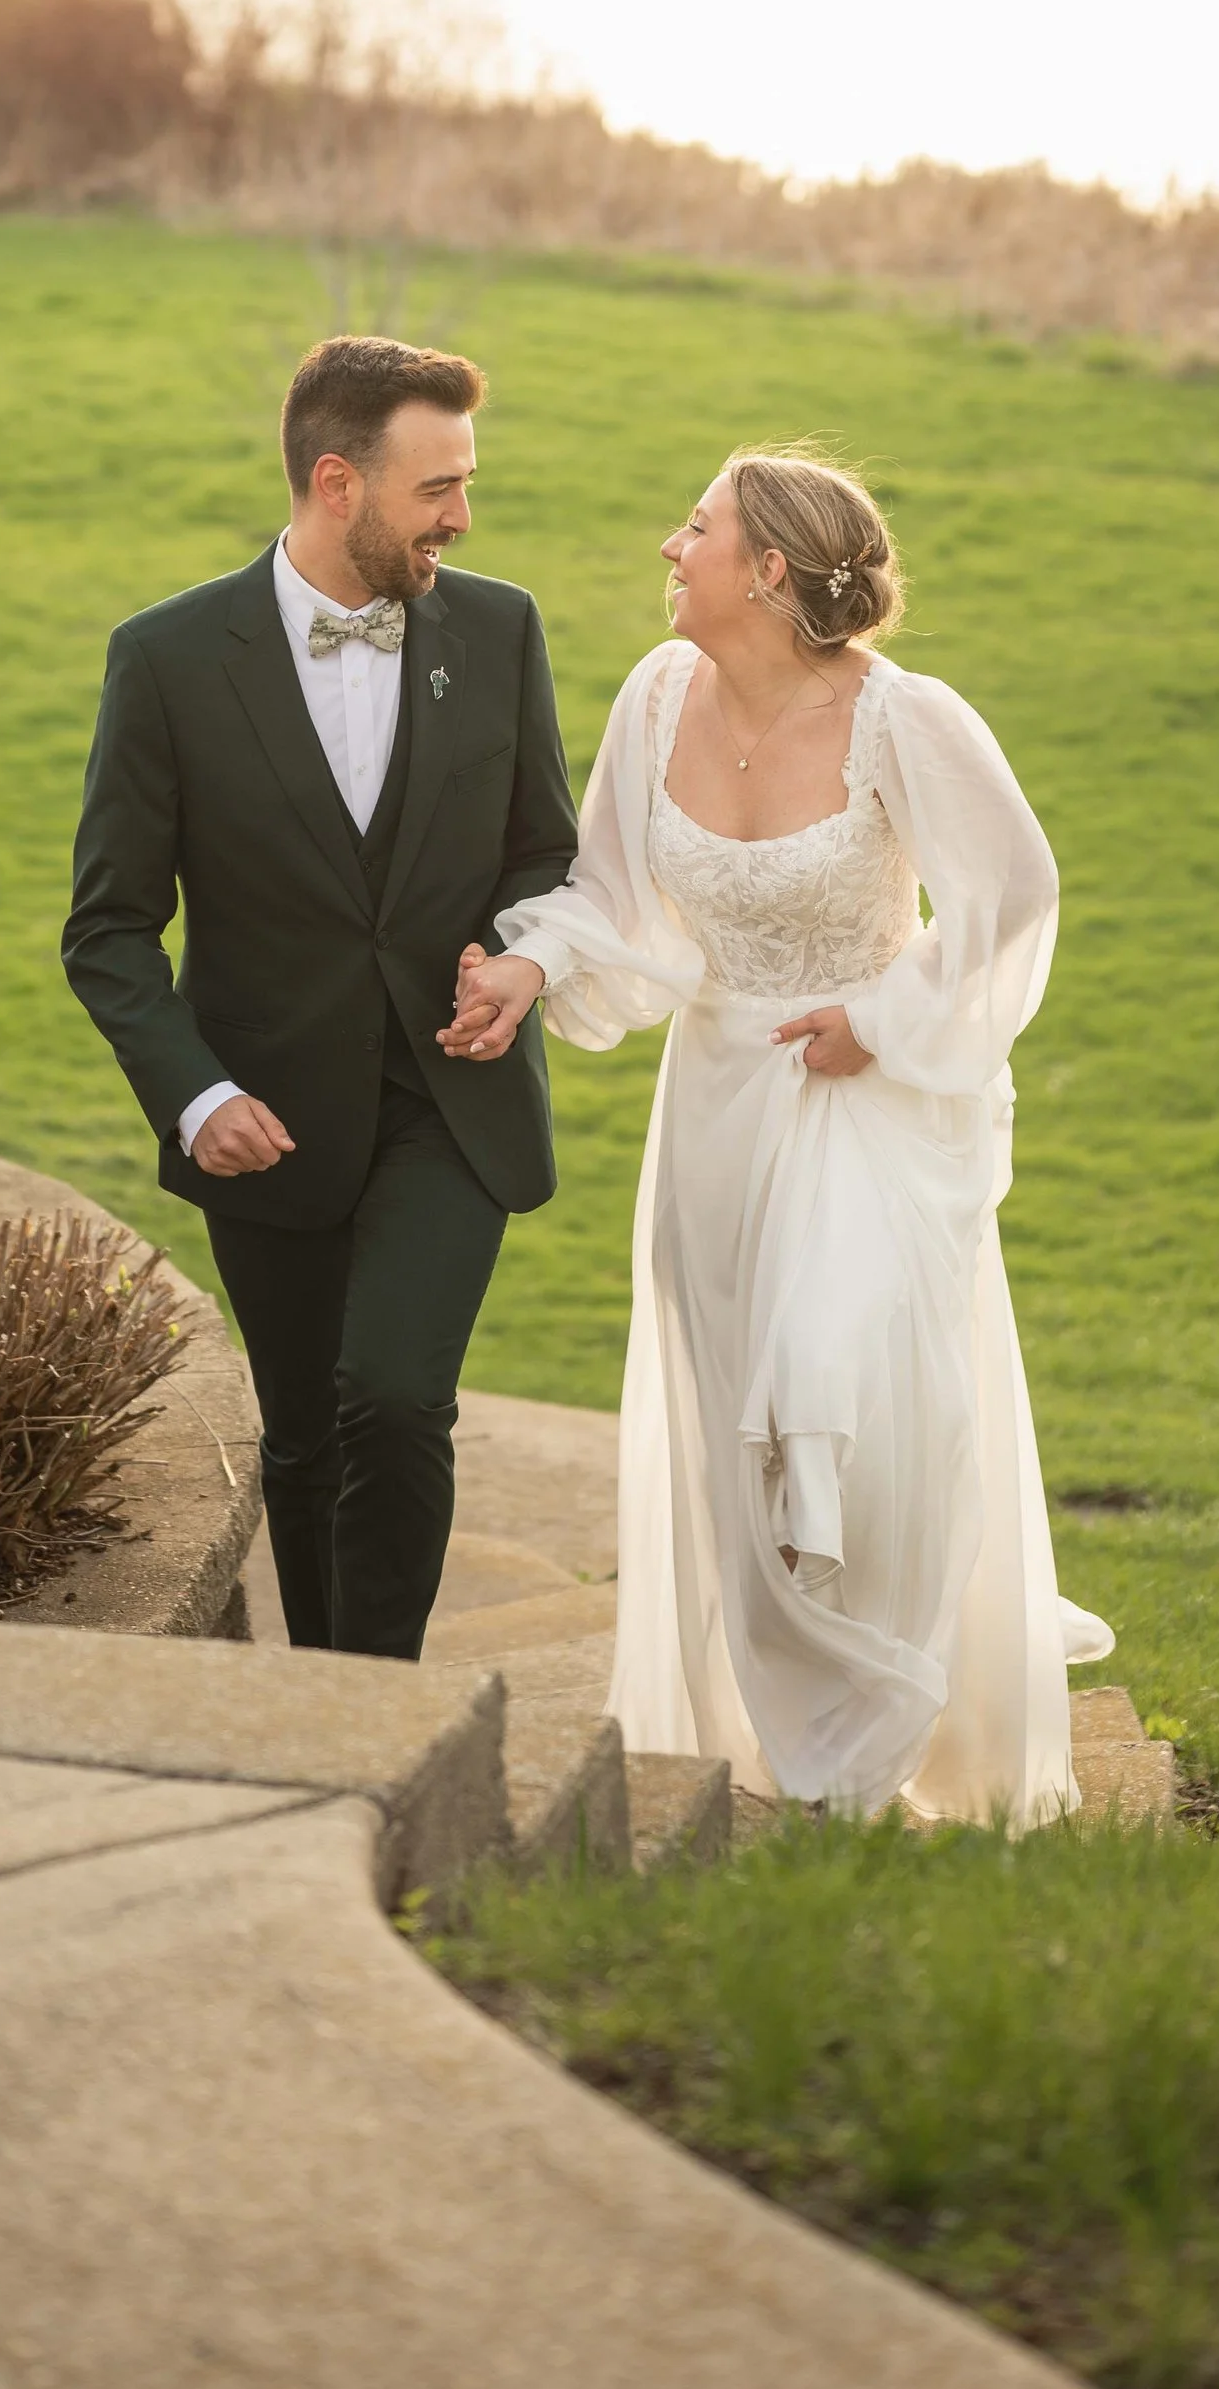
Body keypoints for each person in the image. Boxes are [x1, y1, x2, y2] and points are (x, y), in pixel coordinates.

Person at [449, 448, 1111, 1823]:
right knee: (738, 1423)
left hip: (868, 1102)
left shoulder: (902, 719)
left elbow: (1016, 892)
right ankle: (797, 1738)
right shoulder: (656, 695)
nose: (669, 545)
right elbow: (615, 898)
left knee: (857, 1406)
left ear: (766, 570)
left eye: (695, 527)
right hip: (719, 1110)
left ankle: (879, 1730)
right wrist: (528, 966)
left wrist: (885, 1016)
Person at [63, 336, 577, 1661]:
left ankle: (385, 1700)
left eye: (466, 482)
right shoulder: (168, 658)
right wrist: (197, 1095)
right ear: (338, 483)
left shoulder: (501, 629)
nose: (463, 516)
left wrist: (518, 958)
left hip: (450, 1099)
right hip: (268, 1116)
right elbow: (110, 929)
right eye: (437, 488)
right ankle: (325, 1701)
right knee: (301, 1436)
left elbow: (544, 853)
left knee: (394, 1399)